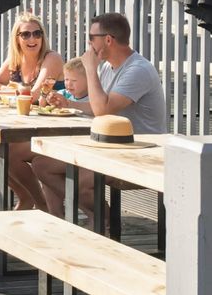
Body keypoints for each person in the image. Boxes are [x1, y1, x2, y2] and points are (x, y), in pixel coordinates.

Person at [34, 12, 167, 219]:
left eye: (91, 38)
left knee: (83, 182)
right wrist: (69, 103)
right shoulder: (108, 67)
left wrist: (90, 69)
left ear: (107, 40)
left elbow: (103, 110)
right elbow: (98, 106)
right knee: (43, 164)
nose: (89, 44)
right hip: (109, 144)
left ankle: (103, 222)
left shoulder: (138, 70)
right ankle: (70, 221)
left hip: (138, 149)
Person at [0, 13, 65, 211]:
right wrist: (14, 89)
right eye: (26, 34)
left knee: (8, 152)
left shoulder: (51, 58)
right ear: (17, 38)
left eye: (37, 34)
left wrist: (11, 89)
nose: (32, 39)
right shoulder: (15, 60)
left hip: (56, 129)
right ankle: (25, 197)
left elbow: (35, 95)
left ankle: (41, 203)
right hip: (26, 125)